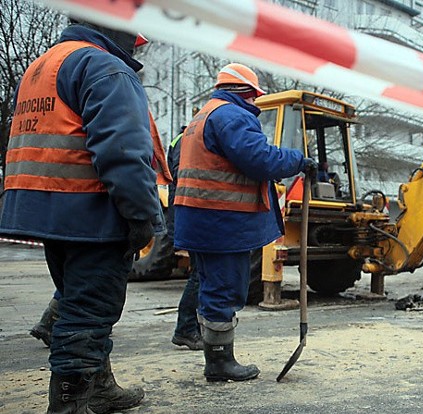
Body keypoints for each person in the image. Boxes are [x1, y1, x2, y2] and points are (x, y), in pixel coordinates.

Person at [0, 18, 164, 414]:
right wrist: (141, 215)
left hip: (48, 207)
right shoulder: (105, 67)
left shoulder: (45, 65)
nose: (136, 50)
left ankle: (99, 390)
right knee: (91, 311)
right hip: (91, 210)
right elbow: (124, 152)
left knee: (77, 299)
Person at [174, 63, 317, 382]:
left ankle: (216, 357)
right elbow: (260, 159)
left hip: (200, 219)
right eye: (255, 98)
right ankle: (220, 363)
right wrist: (297, 160)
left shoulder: (203, 116)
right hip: (222, 222)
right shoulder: (232, 116)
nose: (255, 105)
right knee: (225, 288)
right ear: (247, 93)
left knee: (211, 286)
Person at [29, 113, 172, 349]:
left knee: (78, 281)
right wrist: (140, 215)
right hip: (101, 204)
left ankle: (61, 338)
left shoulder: (53, 90)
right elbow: (123, 152)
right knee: (91, 293)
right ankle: (80, 374)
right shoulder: (112, 83)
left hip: (65, 202)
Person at [167, 126, 203, 350]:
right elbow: (185, 176)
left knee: (201, 274)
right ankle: (186, 329)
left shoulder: (183, 139)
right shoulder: (186, 141)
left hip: (188, 214)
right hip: (190, 214)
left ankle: (190, 328)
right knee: (201, 274)